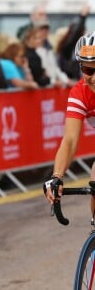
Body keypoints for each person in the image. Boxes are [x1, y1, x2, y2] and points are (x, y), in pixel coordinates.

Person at [43, 31, 95, 215]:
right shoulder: (80, 93)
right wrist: (57, 176)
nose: (93, 78)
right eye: (88, 70)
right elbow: (70, 140)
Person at [56, 4, 90, 81]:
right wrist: (82, 17)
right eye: (83, 33)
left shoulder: (81, 50)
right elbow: (75, 34)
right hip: (67, 82)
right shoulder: (67, 47)